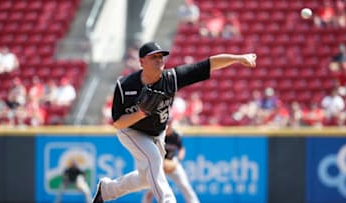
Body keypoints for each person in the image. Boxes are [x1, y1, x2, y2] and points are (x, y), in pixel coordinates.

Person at [92, 41, 256, 203]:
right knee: (154, 159)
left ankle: (107, 189)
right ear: (141, 62)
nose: (159, 60)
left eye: (161, 57)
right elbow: (118, 123)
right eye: (153, 57)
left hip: (157, 133)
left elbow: (207, 64)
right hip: (131, 131)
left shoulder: (171, 78)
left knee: (146, 178)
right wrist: (141, 112)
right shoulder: (125, 85)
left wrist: (238, 58)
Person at [141, 118, 200, 203]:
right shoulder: (158, 136)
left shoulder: (176, 136)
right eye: (166, 123)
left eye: (169, 123)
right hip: (159, 165)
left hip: (172, 162)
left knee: (185, 185)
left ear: (172, 124)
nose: (168, 125)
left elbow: (181, 149)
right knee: (150, 188)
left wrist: (178, 160)